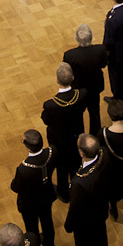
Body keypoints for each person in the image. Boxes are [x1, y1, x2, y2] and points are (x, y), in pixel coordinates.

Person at [41, 62, 87, 202]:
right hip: (76, 138)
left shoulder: (50, 104)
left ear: (57, 80)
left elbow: (46, 120)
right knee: (76, 164)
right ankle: (76, 189)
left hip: (59, 141)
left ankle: (63, 193)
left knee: (61, 167)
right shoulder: (81, 94)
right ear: (72, 78)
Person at [64, 134, 110, 246]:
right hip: (100, 211)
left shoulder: (80, 182)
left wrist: (68, 225)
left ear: (81, 153)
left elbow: (75, 208)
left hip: (85, 223)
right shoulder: (104, 155)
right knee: (102, 243)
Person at [10, 129, 57, 246]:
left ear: (27, 147)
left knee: (32, 229)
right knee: (47, 222)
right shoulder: (51, 152)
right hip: (46, 196)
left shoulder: (23, 168)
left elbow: (15, 187)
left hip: (30, 204)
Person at [63, 25, 107, 136]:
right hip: (94, 87)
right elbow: (103, 64)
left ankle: (80, 137)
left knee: (78, 115)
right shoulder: (100, 49)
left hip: (78, 89)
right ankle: (96, 136)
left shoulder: (69, 55)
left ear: (76, 38)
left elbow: (68, 72)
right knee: (95, 113)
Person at [98, 99, 123, 219]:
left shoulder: (102, 133)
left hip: (111, 167)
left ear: (109, 115)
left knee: (112, 189)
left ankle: (114, 209)